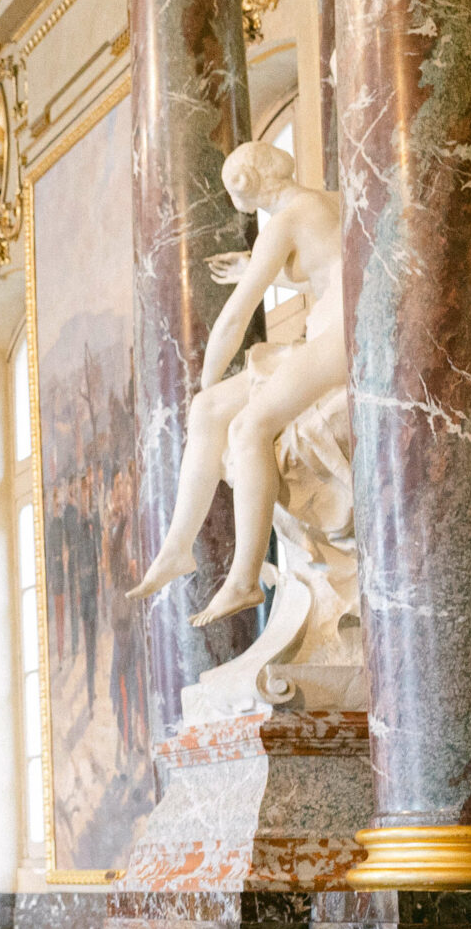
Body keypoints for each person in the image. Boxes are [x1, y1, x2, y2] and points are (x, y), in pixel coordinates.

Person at [125, 142, 345, 623]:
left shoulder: (284, 221)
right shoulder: (327, 201)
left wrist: (206, 380)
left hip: (338, 337)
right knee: (207, 412)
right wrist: (258, 266)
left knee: (248, 428)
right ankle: (176, 548)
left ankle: (244, 580)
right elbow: (328, 267)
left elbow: (233, 319)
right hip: (329, 332)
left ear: (244, 185)